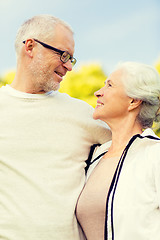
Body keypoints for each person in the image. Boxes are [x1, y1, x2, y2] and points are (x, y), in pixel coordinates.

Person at [0, 15, 111, 240]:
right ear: (30, 46)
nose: (69, 66)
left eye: (72, 59)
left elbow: (135, 144)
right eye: (63, 55)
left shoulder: (83, 113)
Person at [76, 61, 160, 240]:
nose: (98, 92)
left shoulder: (155, 154)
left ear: (134, 100)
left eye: (110, 85)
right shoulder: (94, 157)